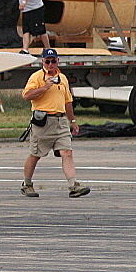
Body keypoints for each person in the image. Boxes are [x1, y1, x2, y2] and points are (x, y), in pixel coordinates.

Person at [21, 48, 89, 198]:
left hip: (60, 121)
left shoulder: (62, 78)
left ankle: (73, 185)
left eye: (53, 61)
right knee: (35, 154)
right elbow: (26, 95)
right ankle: (27, 184)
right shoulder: (37, 76)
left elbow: (68, 101)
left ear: (58, 61)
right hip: (43, 122)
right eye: (47, 61)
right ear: (42, 62)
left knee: (67, 152)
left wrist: (73, 121)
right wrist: (45, 87)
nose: (51, 64)